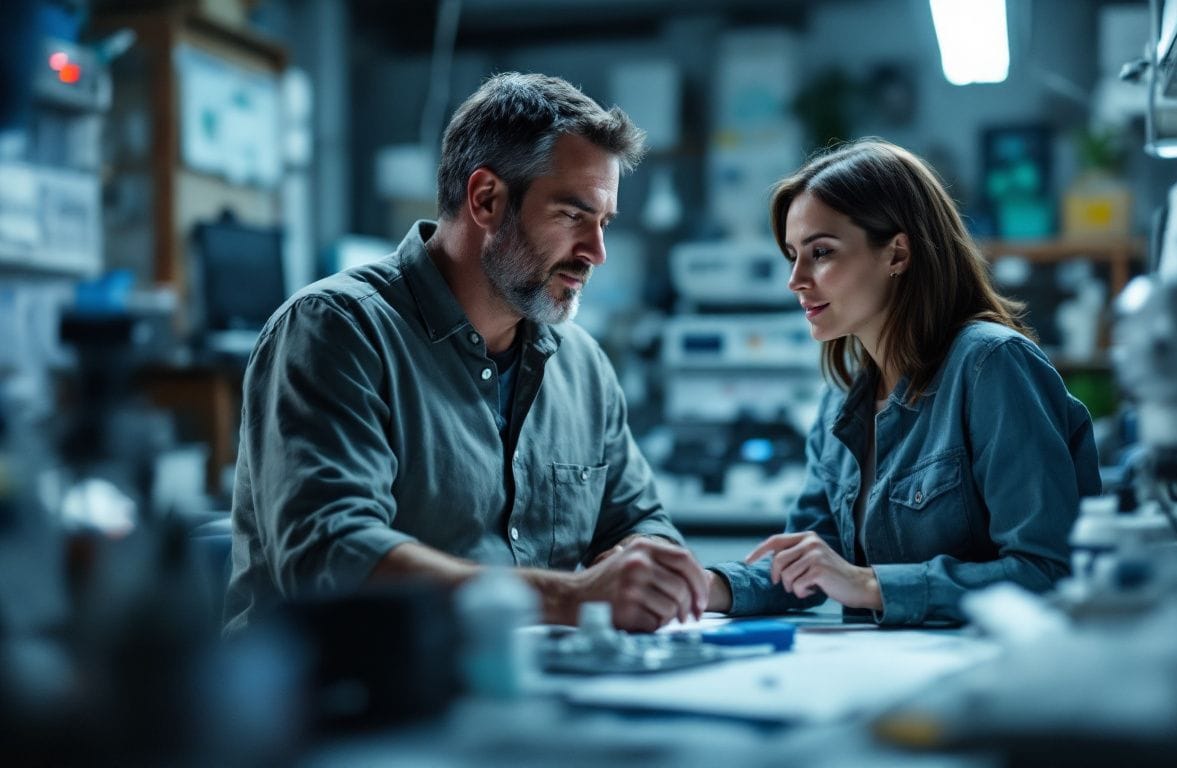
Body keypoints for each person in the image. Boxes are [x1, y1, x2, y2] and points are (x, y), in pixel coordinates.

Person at [224, 73, 708, 635]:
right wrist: (568, 597)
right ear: (486, 200)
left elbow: (640, 522)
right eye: (574, 216)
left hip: (518, 693)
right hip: (337, 702)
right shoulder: (336, 330)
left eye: (603, 224)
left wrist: (641, 564)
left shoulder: (583, 366)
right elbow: (332, 556)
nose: (596, 253)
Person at [705, 139, 1101, 625]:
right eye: (792, 255)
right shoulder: (839, 402)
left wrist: (870, 584)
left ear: (897, 253)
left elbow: (1047, 571)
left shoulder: (991, 365)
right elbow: (807, 565)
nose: (796, 279)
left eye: (821, 253)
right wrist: (707, 586)